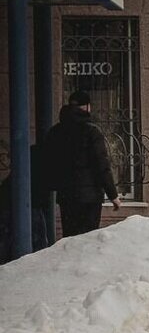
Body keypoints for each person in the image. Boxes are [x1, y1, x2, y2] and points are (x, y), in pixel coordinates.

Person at [43, 90, 120, 237]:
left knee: (70, 239)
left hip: (66, 195)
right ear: (87, 107)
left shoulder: (55, 132)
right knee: (87, 240)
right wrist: (113, 195)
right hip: (90, 198)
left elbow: (48, 162)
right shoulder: (92, 131)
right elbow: (101, 165)